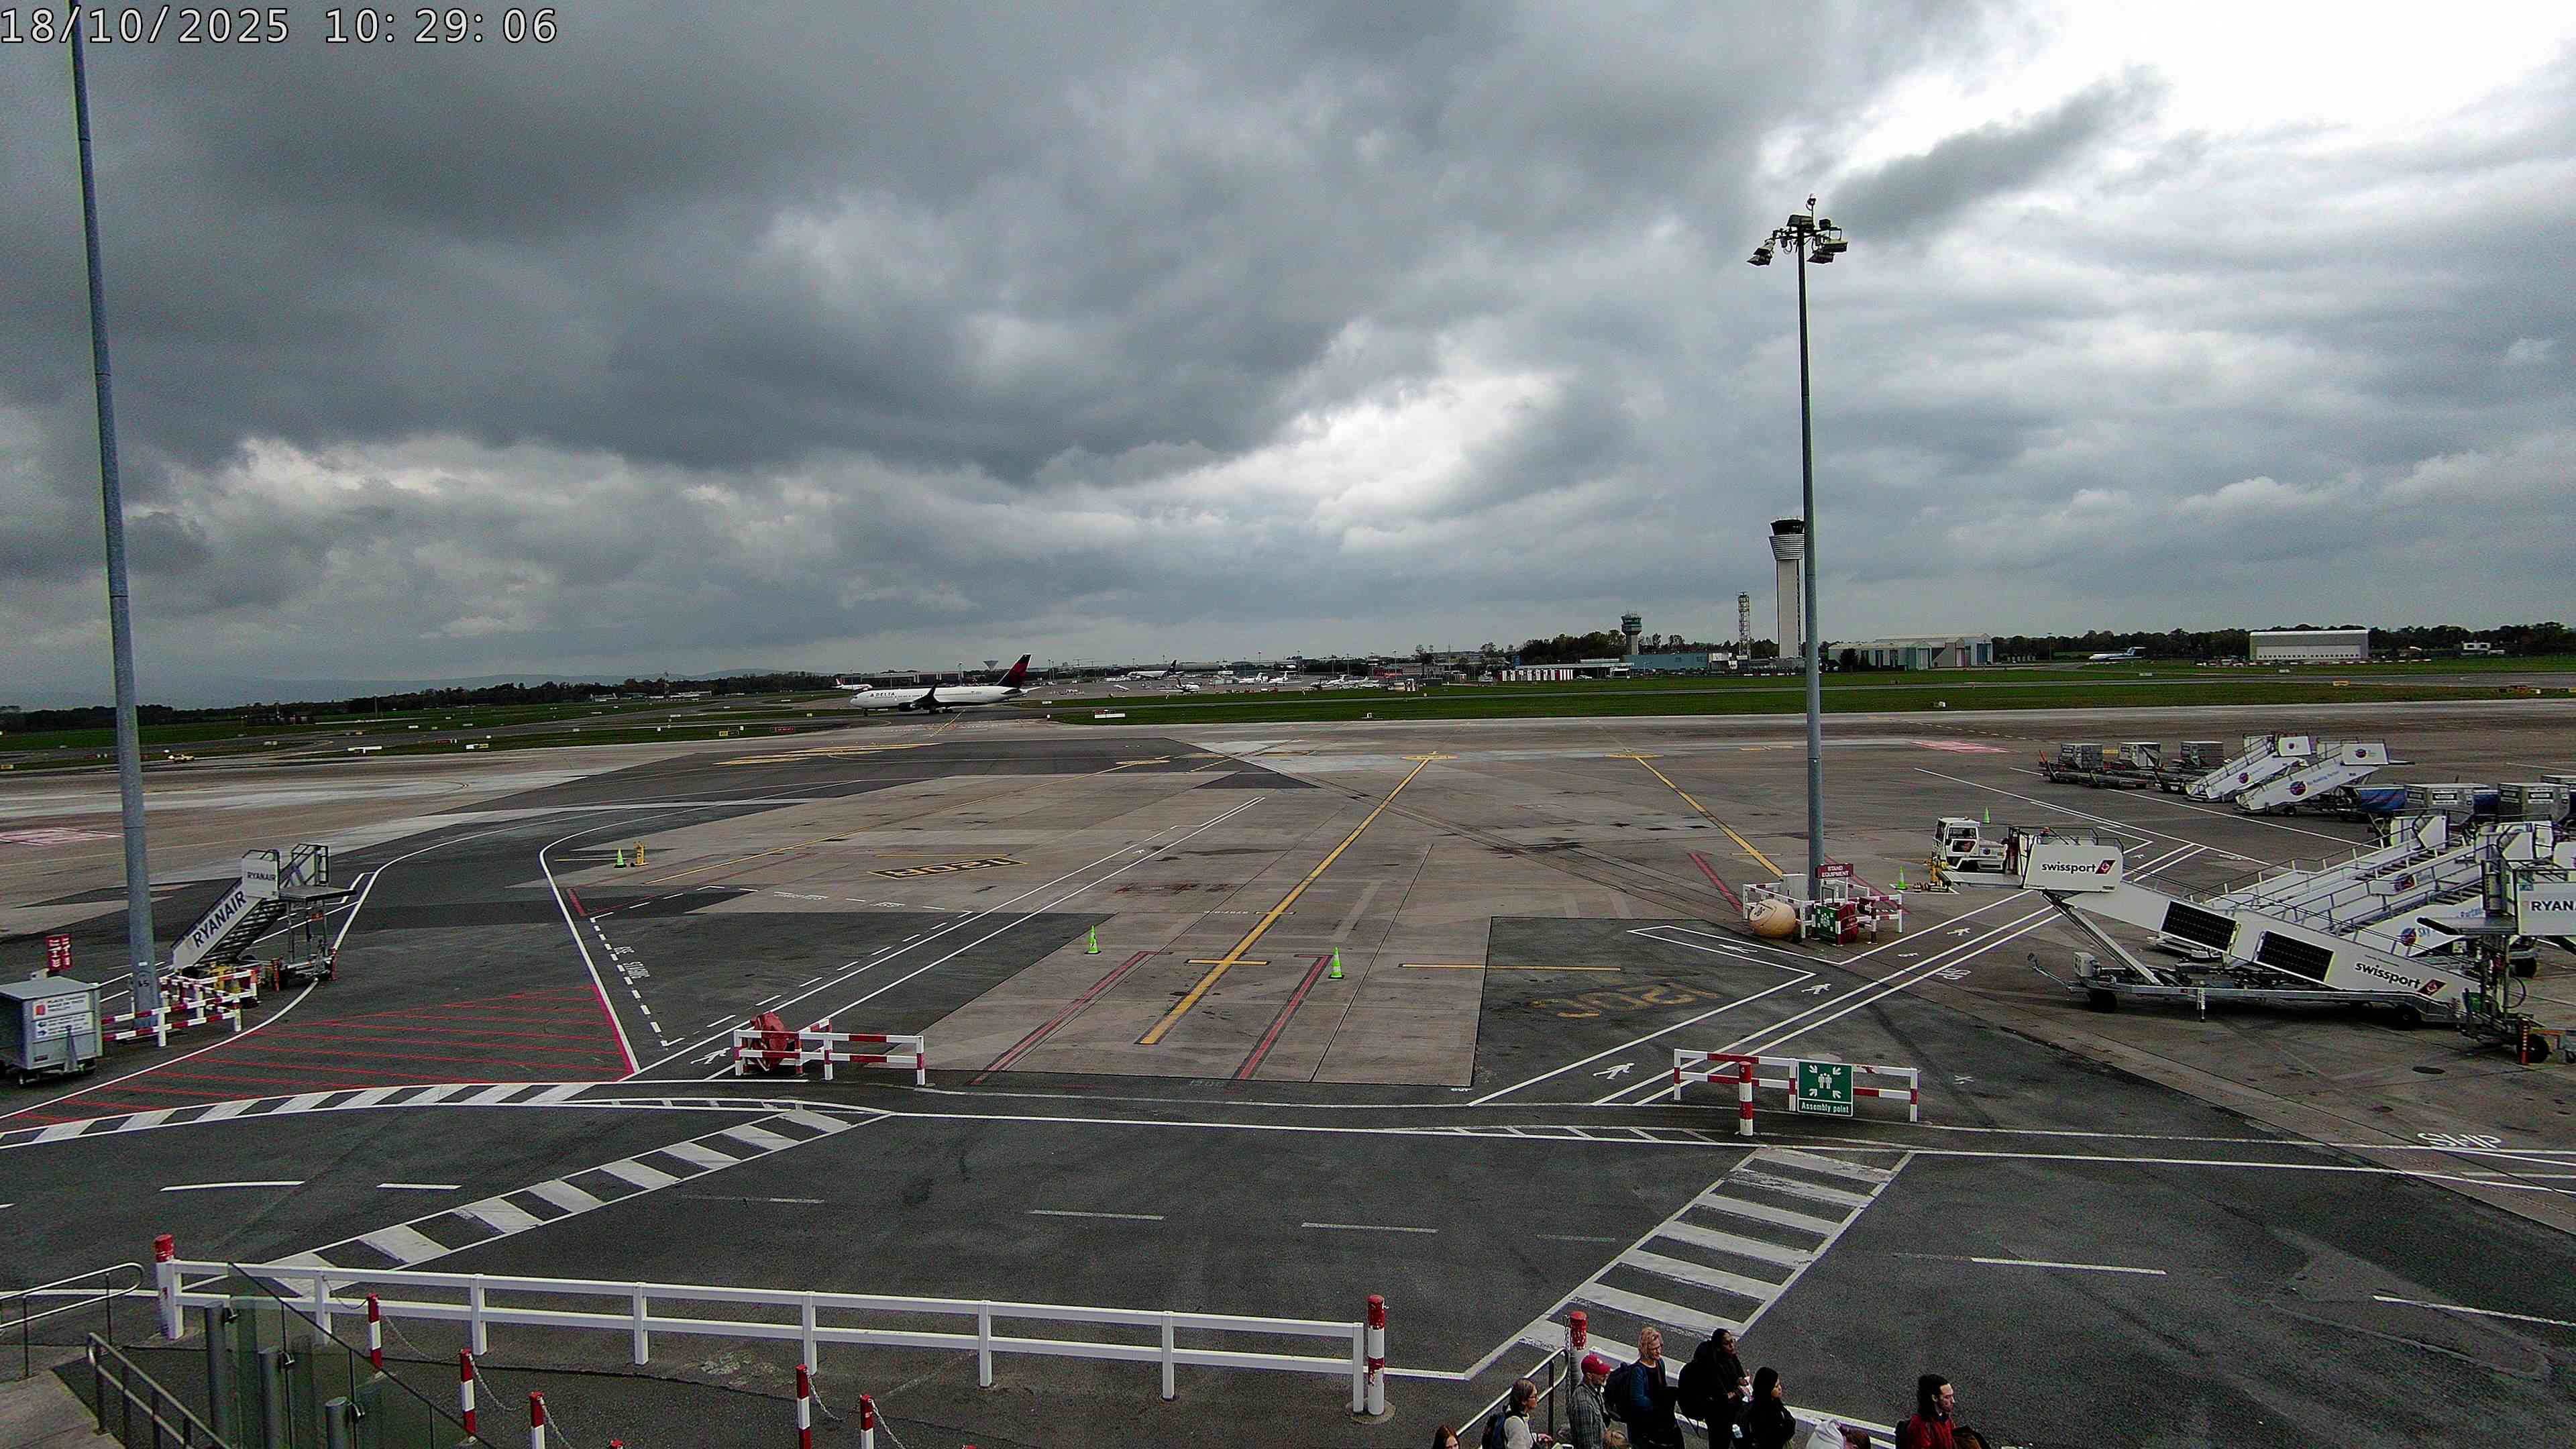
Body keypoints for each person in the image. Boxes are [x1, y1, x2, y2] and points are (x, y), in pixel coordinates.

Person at [1609, 1327, 1682, 1449]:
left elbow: (1662, 1387)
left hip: (1658, 1420)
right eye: (1654, 1349)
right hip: (1644, 1426)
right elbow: (1638, 1400)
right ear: (1645, 1350)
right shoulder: (1638, 1371)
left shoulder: (1660, 1363)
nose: (1658, 1351)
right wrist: (1659, 1403)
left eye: (1659, 1347)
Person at [1676, 1330, 1743, 1436]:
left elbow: (1741, 1378)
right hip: (1711, 1412)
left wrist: (1739, 1385)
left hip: (1724, 1406)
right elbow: (1722, 1397)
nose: (1732, 1346)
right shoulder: (1710, 1368)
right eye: (1727, 1343)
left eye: (1732, 1341)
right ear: (1718, 1348)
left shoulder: (1730, 1357)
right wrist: (1737, 1391)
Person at [1484, 1377, 1554, 1449]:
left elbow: (1522, 1437)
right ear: (1524, 1401)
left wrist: (1536, 1437)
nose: (1538, 1398)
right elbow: (1517, 1442)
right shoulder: (1516, 1424)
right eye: (1534, 1396)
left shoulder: (1517, 1414)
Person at [1565, 1354, 1614, 1449]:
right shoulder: (1584, 1405)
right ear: (1589, 1376)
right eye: (1601, 1374)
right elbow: (1587, 1445)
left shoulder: (1595, 1388)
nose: (1605, 1376)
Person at [1896, 1375, 1956, 1449]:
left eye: (1952, 1396)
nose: (1953, 1401)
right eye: (1947, 1397)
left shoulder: (1947, 1419)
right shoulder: (1921, 1425)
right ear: (1934, 1398)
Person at [1742, 1368, 1796, 1449]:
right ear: (1767, 1389)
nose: (1780, 1388)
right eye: (1776, 1386)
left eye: (1779, 1384)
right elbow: (1776, 1438)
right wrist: (1789, 1425)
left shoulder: (1774, 1401)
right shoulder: (1762, 1413)